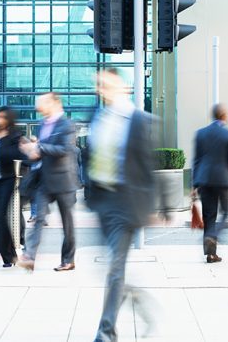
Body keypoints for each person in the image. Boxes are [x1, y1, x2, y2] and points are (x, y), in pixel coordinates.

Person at [84, 68, 158, 342]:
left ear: (120, 86)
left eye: (105, 84)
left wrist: (155, 207)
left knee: (115, 266)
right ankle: (136, 297)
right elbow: (89, 157)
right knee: (110, 269)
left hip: (126, 203)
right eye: (99, 85)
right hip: (103, 202)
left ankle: (106, 332)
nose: (101, 89)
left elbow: (147, 165)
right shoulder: (97, 117)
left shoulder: (139, 120)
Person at [19, 92, 79, 272]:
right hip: (44, 180)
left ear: (54, 103)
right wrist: (31, 152)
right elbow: (42, 152)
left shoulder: (66, 124)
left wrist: (39, 147)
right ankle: (29, 256)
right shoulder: (42, 124)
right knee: (38, 219)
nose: (38, 106)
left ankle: (68, 260)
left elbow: (65, 149)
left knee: (67, 224)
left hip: (64, 181)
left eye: (42, 103)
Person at [191, 104, 228, 263]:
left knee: (209, 215)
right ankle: (213, 236)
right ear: (224, 116)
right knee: (225, 212)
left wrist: (194, 184)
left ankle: (211, 254)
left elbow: (196, 160)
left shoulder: (200, 133)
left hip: (204, 179)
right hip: (222, 179)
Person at [0, 106, 25, 267]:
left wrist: (1, 147)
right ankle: (11, 255)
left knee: (1, 216)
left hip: (7, 180)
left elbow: (18, 154)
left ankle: (4, 255)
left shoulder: (14, 136)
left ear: (8, 120)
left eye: (1, 117)